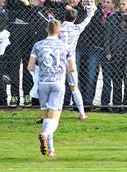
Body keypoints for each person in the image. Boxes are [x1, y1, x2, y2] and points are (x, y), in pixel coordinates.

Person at [27, 19, 74, 157]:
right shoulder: (66, 46)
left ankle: (51, 150)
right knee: (55, 117)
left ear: (46, 30)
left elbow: (30, 66)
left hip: (43, 83)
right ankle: (45, 134)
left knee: (47, 116)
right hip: (58, 83)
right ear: (59, 31)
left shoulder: (38, 45)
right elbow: (71, 68)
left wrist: (39, 75)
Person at [0, 0, 39, 106]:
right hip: (14, 27)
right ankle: (14, 96)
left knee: (28, 65)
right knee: (14, 64)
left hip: (28, 29)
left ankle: (27, 94)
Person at [59, 6, 97, 119]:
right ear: (75, 19)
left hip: (59, 60)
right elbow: (86, 21)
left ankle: (50, 113)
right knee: (74, 87)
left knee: (57, 86)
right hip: (70, 60)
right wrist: (90, 14)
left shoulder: (59, 28)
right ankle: (82, 113)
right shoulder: (76, 28)